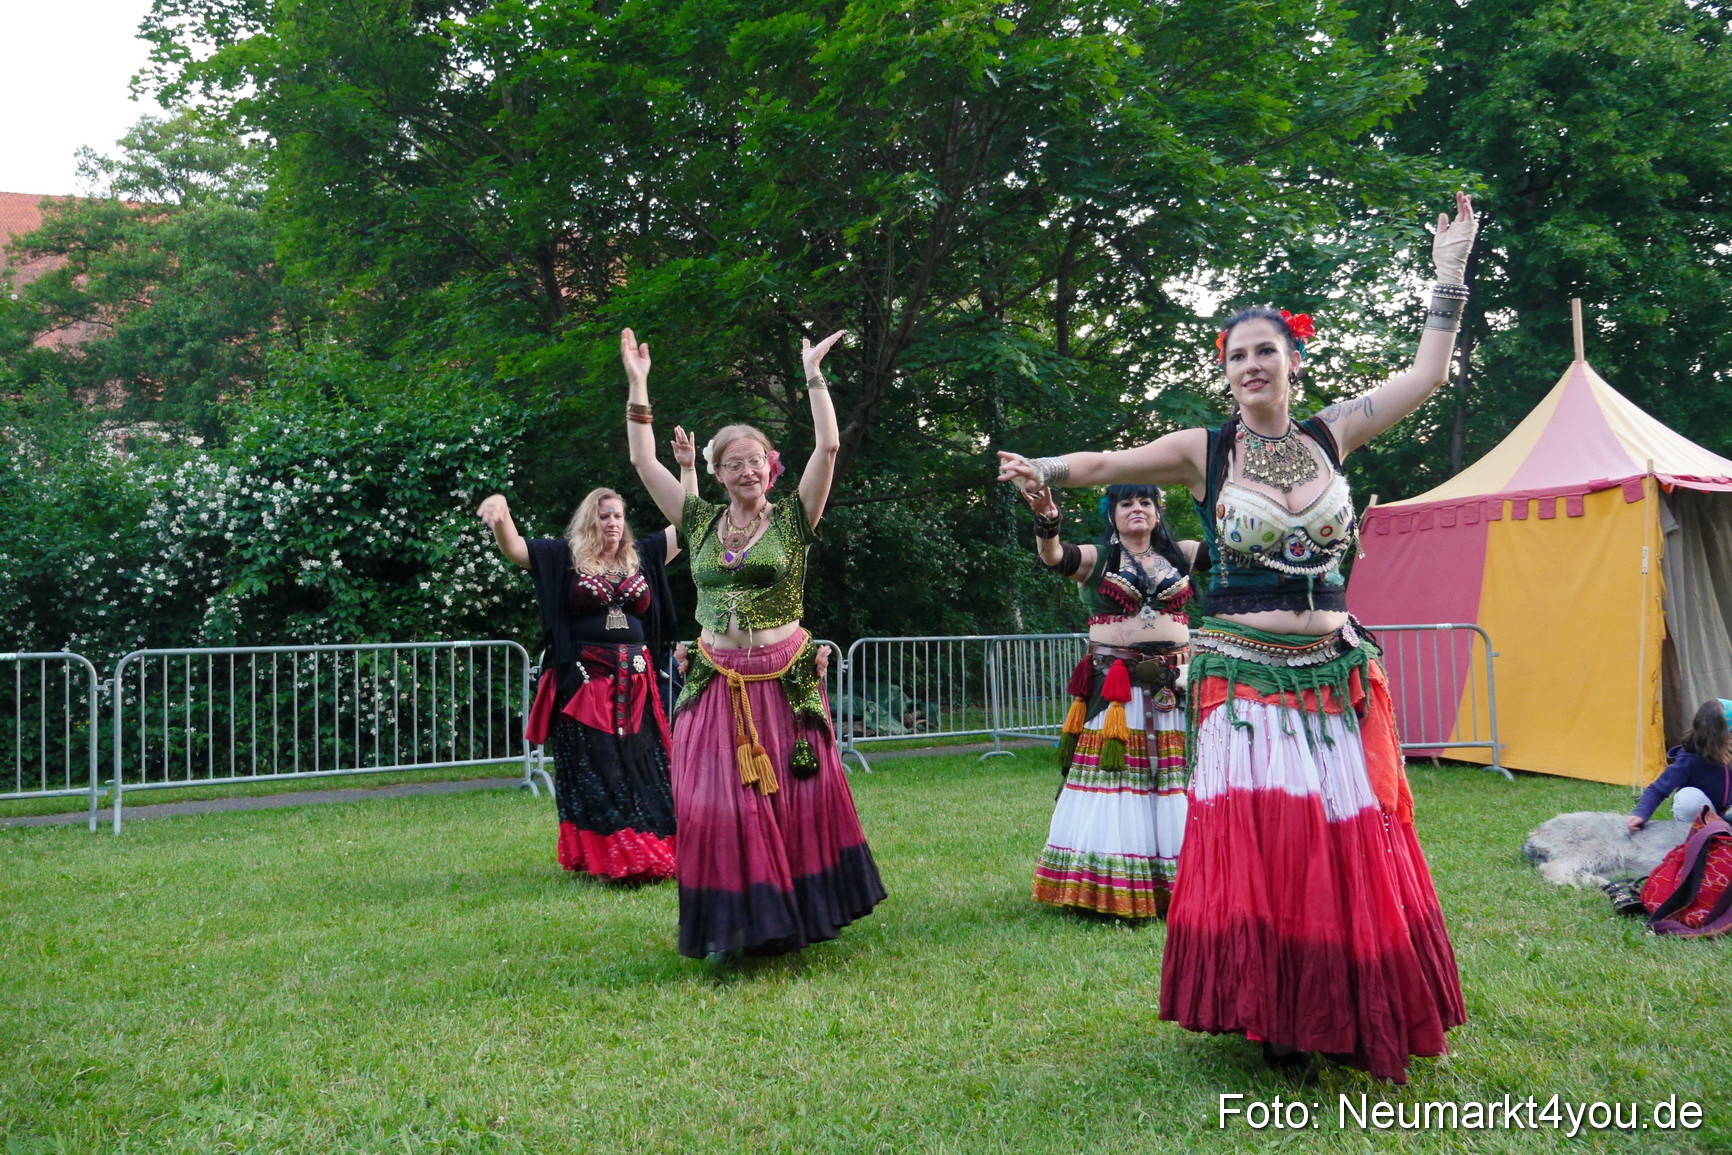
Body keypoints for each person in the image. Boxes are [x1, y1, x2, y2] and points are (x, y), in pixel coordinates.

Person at [998, 193, 1478, 1083]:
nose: (1251, 365)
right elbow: (1108, 464)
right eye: (1236, 355)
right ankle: (1278, 1015)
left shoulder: (1336, 432)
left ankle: (1349, 996)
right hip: (1245, 677)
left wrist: (1448, 272)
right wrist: (1045, 468)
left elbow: (1427, 375)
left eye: (1265, 351)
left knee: (1346, 837)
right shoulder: (1206, 449)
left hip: (1331, 673)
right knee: (1271, 843)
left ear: (1294, 361)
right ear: (1225, 373)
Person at [621, 325, 886, 960]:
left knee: (794, 799)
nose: (747, 469)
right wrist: (638, 386)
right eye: (733, 462)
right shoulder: (699, 521)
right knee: (713, 802)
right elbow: (643, 463)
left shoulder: (795, 517)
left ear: (772, 467)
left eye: (755, 460)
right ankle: (740, 919)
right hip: (716, 677)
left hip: (783, 679)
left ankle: (792, 918)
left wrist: (813, 375)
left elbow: (829, 445)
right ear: (716, 473)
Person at [477, 456, 695, 883]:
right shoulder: (564, 557)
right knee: (600, 765)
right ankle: (614, 857)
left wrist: (687, 470)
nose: (612, 523)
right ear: (589, 520)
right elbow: (515, 548)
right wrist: (501, 512)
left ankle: (652, 847)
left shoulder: (643, 556)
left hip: (638, 681)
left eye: (618, 516)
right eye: (604, 516)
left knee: (644, 763)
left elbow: (687, 524)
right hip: (586, 683)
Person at [1023, 482, 1199, 918]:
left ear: (1158, 511)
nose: (1137, 509)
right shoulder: (1097, 558)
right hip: (1116, 689)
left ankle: (1183, 884)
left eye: (1145, 502)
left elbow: (1232, 549)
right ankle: (1106, 887)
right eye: (1126, 503)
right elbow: (1053, 556)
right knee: (1116, 780)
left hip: (1173, 685)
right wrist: (1048, 518)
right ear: (1112, 513)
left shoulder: (1182, 554)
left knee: (1172, 780)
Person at [1628, 699, 1732, 831]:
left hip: (1727, 816)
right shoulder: (1689, 760)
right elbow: (1658, 789)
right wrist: (1640, 814)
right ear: (1717, 735)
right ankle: (1700, 832)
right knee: (1687, 798)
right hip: (1705, 815)